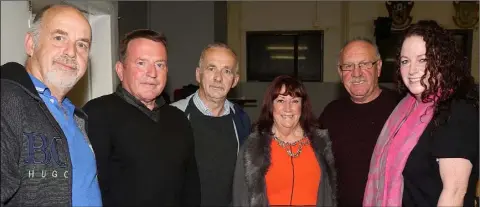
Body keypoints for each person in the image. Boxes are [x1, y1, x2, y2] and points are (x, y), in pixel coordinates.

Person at [364, 20, 479, 207]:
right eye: (405, 61)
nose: (412, 70)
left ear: (442, 60)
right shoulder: (405, 109)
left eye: (423, 59)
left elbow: (454, 193)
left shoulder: (456, 112)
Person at [82, 29, 200, 206]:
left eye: (160, 65)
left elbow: (191, 188)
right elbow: (87, 190)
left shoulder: (179, 119)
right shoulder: (98, 114)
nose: (152, 73)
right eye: (141, 63)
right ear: (120, 70)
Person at [1, 4, 102, 206]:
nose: (71, 52)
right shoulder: (7, 100)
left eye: (82, 44)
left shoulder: (77, 118)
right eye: (59, 38)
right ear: (31, 44)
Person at [318, 37, 400, 206]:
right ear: (340, 73)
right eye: (348, 66)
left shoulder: (401, 109)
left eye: (364, 64)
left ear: (379, 67)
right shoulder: (330, 113)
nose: (356, 73)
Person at [233, 75, 336, 206]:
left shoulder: (321, 146)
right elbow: (240, 198)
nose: (288, 108)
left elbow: (328, 197)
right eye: (281, 101)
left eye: (294, 101)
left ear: (302, 106)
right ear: (271, 106)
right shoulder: (252, 147)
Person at [171, 43, 251, 206]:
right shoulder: (173, 116)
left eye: (226, 71)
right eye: (211, 68)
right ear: (198, 74)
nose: (218, 78)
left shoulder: (241, 120)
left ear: (234, 80)